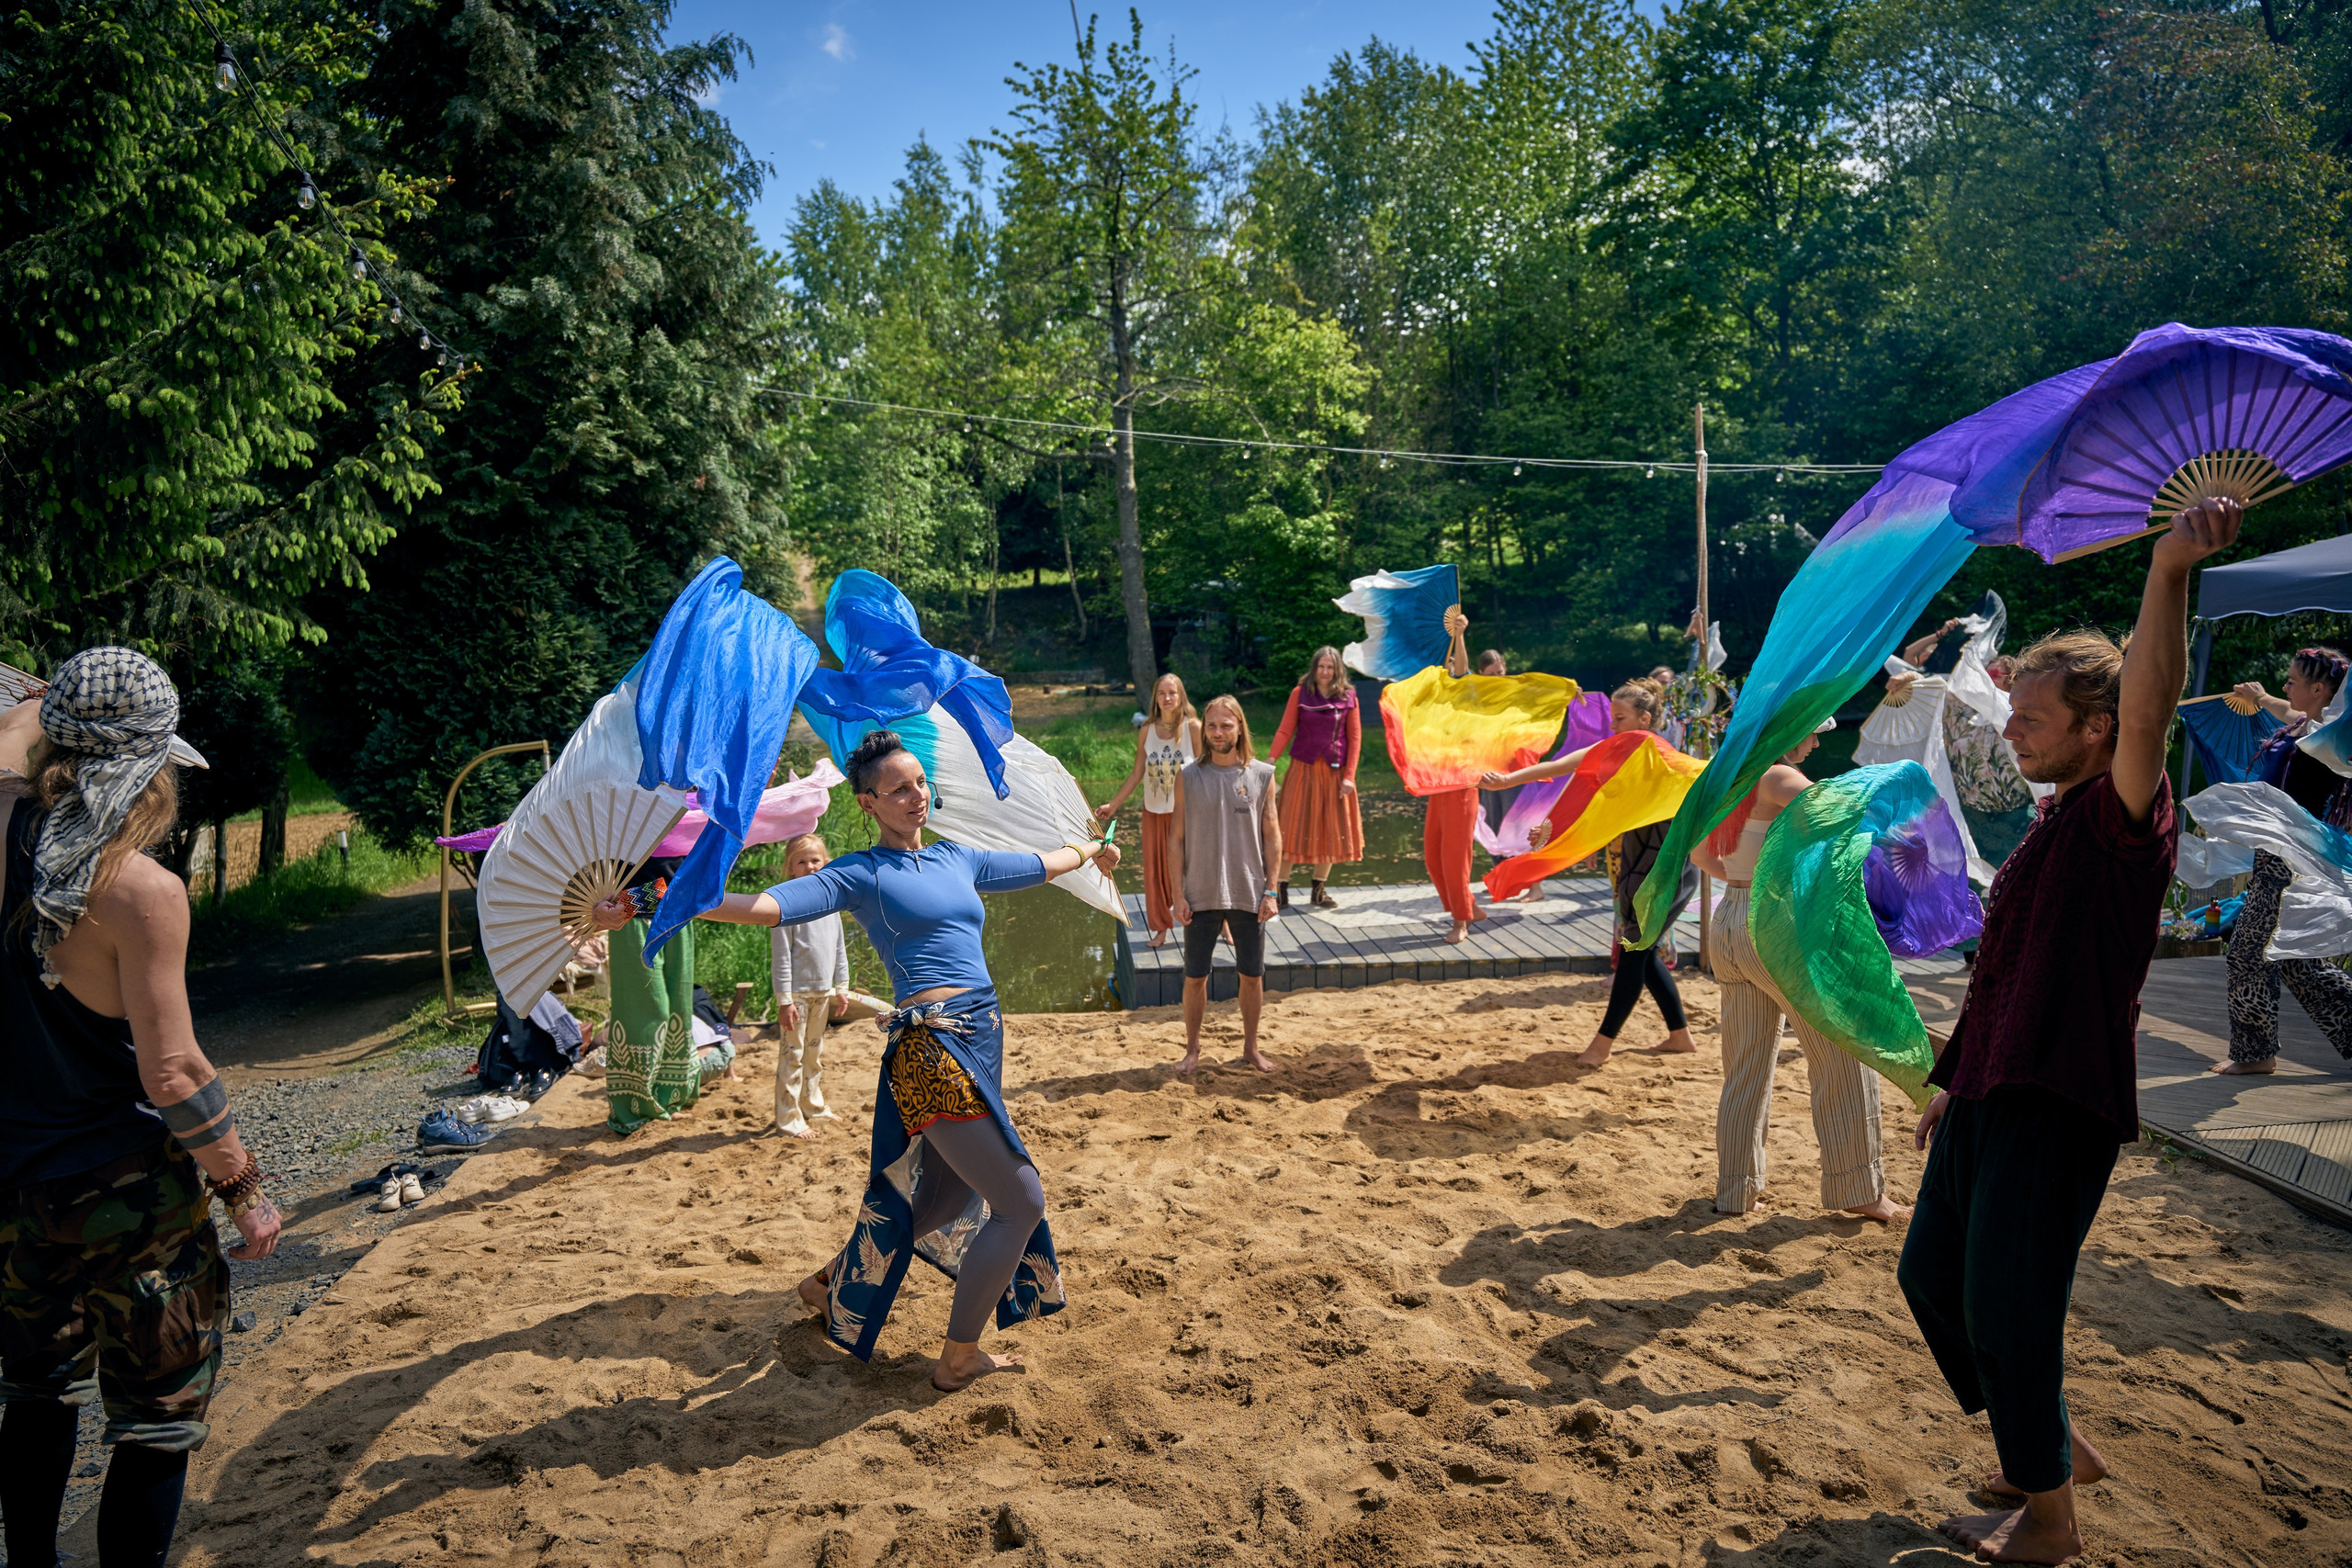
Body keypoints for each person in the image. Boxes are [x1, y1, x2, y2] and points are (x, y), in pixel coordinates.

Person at [1896, 498, 2241, 1565]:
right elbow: (2003, 975)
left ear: (2096, 732)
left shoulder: (2120, 815)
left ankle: (2048, 1520)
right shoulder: (2055, 819)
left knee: (2008, 1303)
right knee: (1931, 1279)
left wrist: (2168, 568)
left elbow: (2150, 712)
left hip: (2059, 1102)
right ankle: (2049, 1442)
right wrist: (1953, 1082)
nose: (2012, 732)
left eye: (2033, 720)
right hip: (1992, 1087)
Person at [591, 729, 1117, 1392]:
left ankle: (829, 1282)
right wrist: (649, 901)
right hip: (930, 1050)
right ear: (868, 802)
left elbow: (1041, 864)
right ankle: (958, 1356)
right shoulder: (862, 873)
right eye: (898, 788)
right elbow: (769, 907)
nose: (916, 794)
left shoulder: (958, 856)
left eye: (920, 781)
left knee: (943, 1197)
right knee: (1020, 1199)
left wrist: (1094, 849)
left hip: (983, 1038)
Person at [0, 649, 281, 1568]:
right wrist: (243, 1185)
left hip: (14, 1186)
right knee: (155, 1419)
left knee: (34, 1388)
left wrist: (41, 706)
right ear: (148, 768)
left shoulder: (5, 831)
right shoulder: (141, 893)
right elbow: (172, 1074)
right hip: (131, 1196)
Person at [1690, 719, 1905, 1224]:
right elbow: (1847, 817)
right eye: (1812, 730)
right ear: (1790, 730)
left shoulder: (1722, 779)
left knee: (1745, 1065)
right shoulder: (1779, 777)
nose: (1816, 741)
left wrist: (1746, 879)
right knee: (1841, 1053)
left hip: (1731, 918)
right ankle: (1859, 1188)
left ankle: (1736, 1190)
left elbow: (1701, 854)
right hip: (1777, 922)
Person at [1480, 678, 1697, 1066]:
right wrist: (1509, 782)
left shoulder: (1655, 749)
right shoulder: (1619, 748)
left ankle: (1601, 1045)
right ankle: (1679, 1035)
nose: (1612, 725)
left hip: (1667, 865)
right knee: (1642, 953)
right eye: (1612, 717)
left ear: (1645, 719)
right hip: (1640, 858)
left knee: (1635, 951)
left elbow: (1695, 779)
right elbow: (1569, 768)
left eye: (1620, 718)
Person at [2214, 646, 2352, 1075]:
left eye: (2293, 680)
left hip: (2294, 858)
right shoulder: (2301, 729)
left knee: (2246, 953)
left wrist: (2260, 698)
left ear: (2318, 688)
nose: (2285, 686)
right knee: (2293, 959)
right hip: (2276, 854)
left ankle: (2256, 1055)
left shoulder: (2332, 737)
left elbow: (2312, 728)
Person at [1170, 694, 1282, 1074]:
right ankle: (1193, 1050)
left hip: (1249, 891)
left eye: (1226, 725)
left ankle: (1251, 1048)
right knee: (1195, 977)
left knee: (1252, 975)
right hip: (1200, 891)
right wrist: (1176, 894)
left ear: (1239, 728)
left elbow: (1272, 835)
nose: (1218, 732)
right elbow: (1176, 838)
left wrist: (1271, 890)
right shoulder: (1187, 775)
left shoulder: (1262, 774)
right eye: (1212, 725)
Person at [1095, 673, 1201, 946]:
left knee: (1196, 870)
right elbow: (1136, 773)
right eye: (1162, 693)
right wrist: (1113, 804)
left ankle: (1217, 924)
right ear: (1155, 698)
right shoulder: (1147, 729)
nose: (1167, 698)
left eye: (1172, 693)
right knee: (1155, 872)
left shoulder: (1194, 728)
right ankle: (1161, 927)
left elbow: (1205, 771)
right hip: (1153, 812)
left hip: (1187, 814)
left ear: (1181, 696)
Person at [1267, 649, 1362, 910]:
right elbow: (1286, 729)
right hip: (1303, 769)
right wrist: (1270, 760)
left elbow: (1354, 739)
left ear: (1338, 670)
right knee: (1290, 826)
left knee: (1330, 829)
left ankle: (1318, 891)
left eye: (1330, 667)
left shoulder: (1349, 696)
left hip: (1335, 772)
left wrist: (1350, 776)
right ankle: (1280, 889)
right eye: (1321, 666)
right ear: (1314, 668)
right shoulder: (1300, 693)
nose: (1325, 672)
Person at [769, 832, 851, 1134]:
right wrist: (784, 1001)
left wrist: (841, 987)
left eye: (815, 860)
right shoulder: (784, 902)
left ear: (825, 862)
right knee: (793, 1056)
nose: (810, 867)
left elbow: (839, 948)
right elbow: (781, 958)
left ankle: (812, 1105)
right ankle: (789, 1119)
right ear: (790, 867)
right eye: (801, 862)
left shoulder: (831, 902)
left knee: (814, 1055)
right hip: (797, 997)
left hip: (822, 993)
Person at [1426, 607, 1485, 943]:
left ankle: (1461, 921)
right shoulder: (1437, 702)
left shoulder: (1465, 698)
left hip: (1463, 784)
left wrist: (1459, 636)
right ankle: (1471, 907)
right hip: (1438, 785)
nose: (1449, 670)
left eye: (1452, 668)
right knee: (1433, 858)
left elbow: (1461, 672)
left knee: (1454, 859)